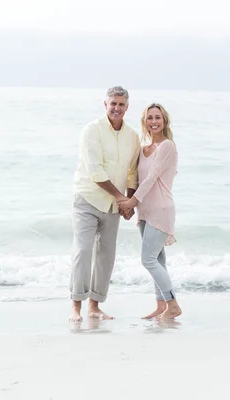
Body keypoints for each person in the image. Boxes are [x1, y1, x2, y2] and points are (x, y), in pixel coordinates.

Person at [69, 86, 141, 322]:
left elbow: (132, 172)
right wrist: (122, 198)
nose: (117, 108)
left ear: (127, 107)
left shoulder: (132, 136)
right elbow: (95, 171)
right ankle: (76, 308)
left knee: (106, 255)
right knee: (83, 250)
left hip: (114, 205)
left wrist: (129, 201)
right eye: (113, 103)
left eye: (121, 104)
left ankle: (94, 307)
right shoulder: (92, 130)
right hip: (88, 200)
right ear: (105, 105)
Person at [117, 103, 182, 320]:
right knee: (158, 260)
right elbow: (136, 178)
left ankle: (173, 304)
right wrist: (129, 201)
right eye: (150, 118)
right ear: (145, 122)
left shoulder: (167, 146)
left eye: (158, 117)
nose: (154, 121)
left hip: (161, 210)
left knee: (148, 260)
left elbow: (153, 178)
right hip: (145, 211)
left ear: (165, 121)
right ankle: (161, 306)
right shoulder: (144, 148)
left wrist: (130, 203)